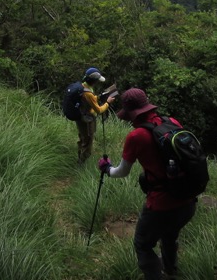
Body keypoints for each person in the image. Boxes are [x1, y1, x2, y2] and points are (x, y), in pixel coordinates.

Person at [97, 88, 197, 279]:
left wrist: (106, 169)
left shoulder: (136, 136)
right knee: (169, 235)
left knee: (143, 244)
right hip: (188, 198)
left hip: (161, 204)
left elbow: (122, 172)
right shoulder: (172, 122)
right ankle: (170, 270)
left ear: (131, 114)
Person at [76, 67, 115, 164]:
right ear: (93, 81)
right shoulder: (88, 93)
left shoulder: (82, 86)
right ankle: (81, 163)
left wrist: (97, 97)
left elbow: (88, 101)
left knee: (82, 138)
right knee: (88, 142)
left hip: (79, 117)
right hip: (87, 120)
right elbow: (99, 110)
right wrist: (108, 103)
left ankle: (79, 156)